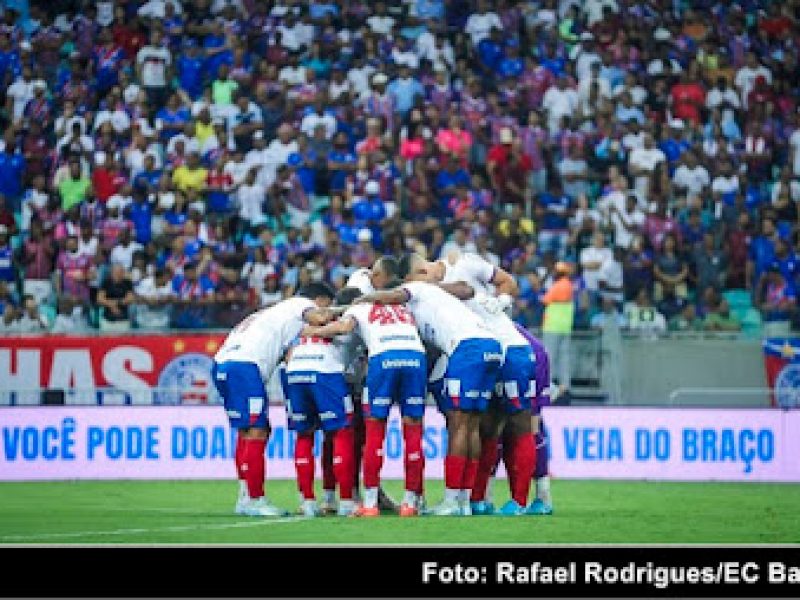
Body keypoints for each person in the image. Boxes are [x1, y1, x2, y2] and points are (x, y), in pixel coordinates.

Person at [359, 260, 502, 516]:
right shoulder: (427, 301)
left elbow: (394, 294)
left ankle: (451, 500)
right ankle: (465, 500)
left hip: (468, 348)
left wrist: (363, 300)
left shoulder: (416, 289)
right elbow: (466, 291)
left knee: (459, 422)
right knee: (471, 425)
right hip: (492, 346)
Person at [403, 251, 536, 516]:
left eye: (423, 273)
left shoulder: (464, 264)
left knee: (518, 423)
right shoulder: (423, 297)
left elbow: (507, 281)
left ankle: (520, 502)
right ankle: (476, 499)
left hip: (509, 347)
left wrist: (504, 300)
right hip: (482, 353)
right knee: (485, 426)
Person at [211, 283, 336, 517]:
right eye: (328, 303)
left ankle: (245, 495)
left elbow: (305, 334)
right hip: (244, 366)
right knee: (256, 432)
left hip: (224, 363)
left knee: (252, 430)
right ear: (319, 299)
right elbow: (318, 318)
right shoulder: (301, 304)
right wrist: (339, 313)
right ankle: (256, 499)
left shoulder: (274, 314)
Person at [304, 284, 428, 517]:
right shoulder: (401, 309)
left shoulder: (358, 308)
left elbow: (343, 327)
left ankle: (370, 503)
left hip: (384, 358)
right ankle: (411, 502)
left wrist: (314, 332)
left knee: (375, 431)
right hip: (415, 357)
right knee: (413, 430)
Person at [284, 283, 356, 518]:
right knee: (342, 432)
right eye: (329, 300)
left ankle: (308, 501)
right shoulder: (338, 320)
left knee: (304, 434)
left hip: (295, 373)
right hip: (325, 372)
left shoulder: (294, 325)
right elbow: (345, 328)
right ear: (319, 300)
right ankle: (346, 501)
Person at [541, 262, 575, 401]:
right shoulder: (569, 285)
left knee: (550, 358)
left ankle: (549, 388)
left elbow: (545, 299)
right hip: (565, 328)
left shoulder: (559, 285)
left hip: (553, 327)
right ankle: (565, 387)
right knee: (564, 358)